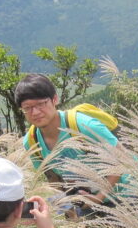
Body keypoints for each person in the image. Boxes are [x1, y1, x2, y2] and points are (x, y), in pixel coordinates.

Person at [16, 73, 126, 211]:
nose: (35, 112)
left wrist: (99, 198)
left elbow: (123, 158)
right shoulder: (32, 141)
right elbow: (53, 179)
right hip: (90, 199)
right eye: (27, 108)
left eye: (41, 104)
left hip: (127, 193)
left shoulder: (83, 126)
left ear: (54, 99)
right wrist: (68, 210)